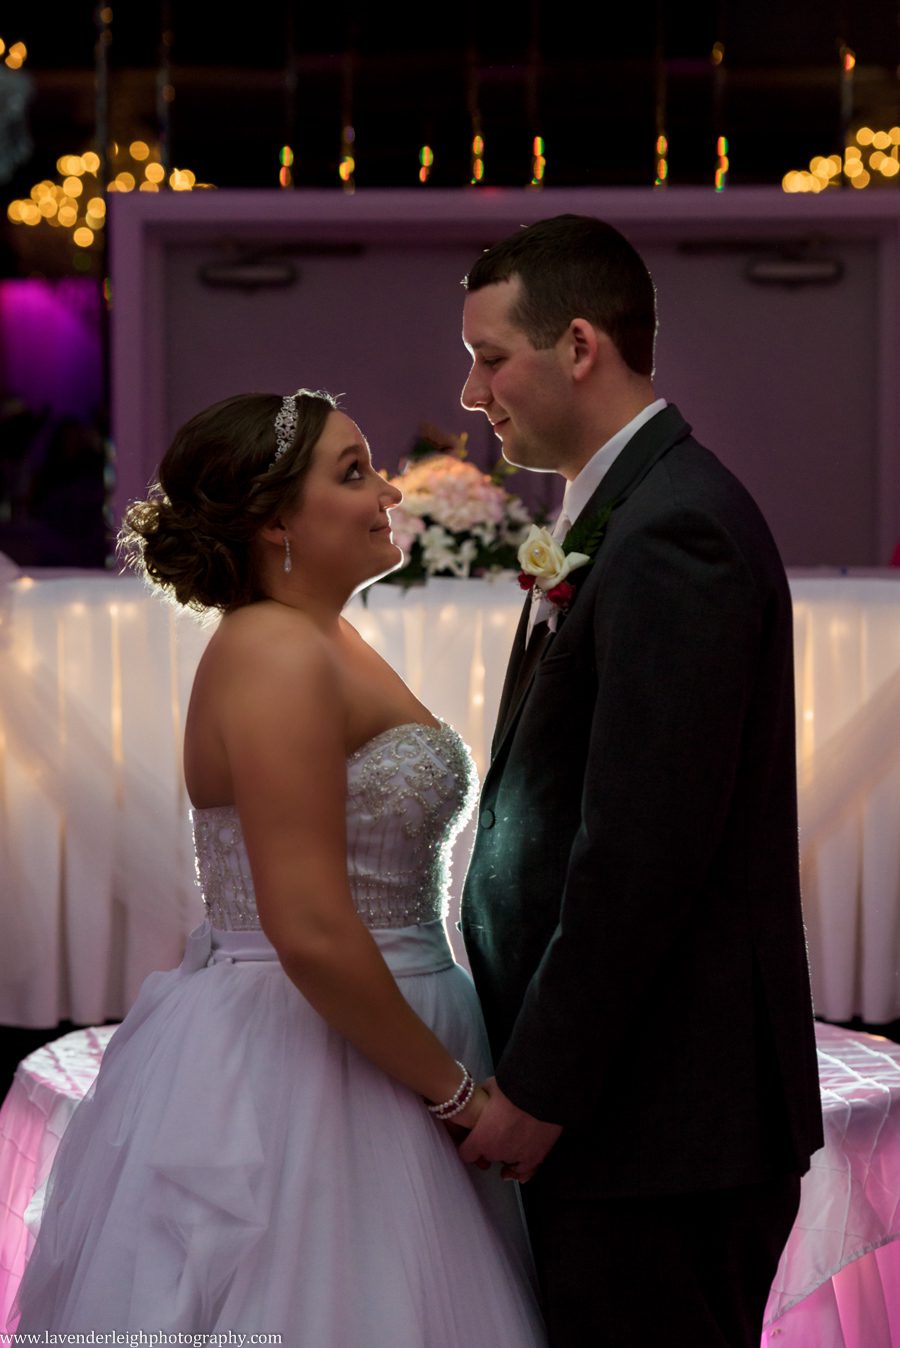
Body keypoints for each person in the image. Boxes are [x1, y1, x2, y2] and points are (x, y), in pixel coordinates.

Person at [15, 390, 546, 1347]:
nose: (387, 487)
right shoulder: (272, 653)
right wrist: (460, 1096)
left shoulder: (319, 634)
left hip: (381, 1025)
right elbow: (304, 925)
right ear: (273, 523)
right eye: (352, 472)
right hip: (315, 1062)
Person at [456, 215, 824, 1348]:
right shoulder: (627, 507)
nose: (472, 394)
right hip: (636, 1110)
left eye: (489, 355)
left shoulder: (676, 531)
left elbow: (640, 851)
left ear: (579, 345)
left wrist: (544, 1085)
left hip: (658, 1121)